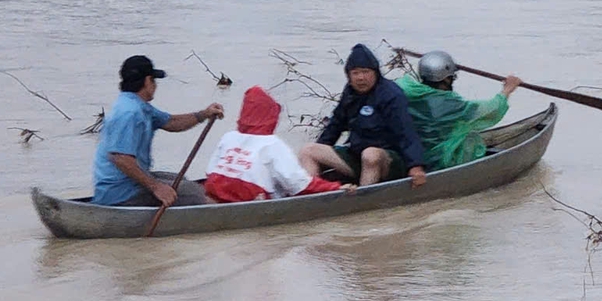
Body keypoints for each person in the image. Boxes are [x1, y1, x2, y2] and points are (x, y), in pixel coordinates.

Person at [91, 55, 225, 208]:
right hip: (121, 193)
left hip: (127, 183)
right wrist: (156, 187)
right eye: (154, 81)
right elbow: (120, 158)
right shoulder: (129, 113)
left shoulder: (137, 105)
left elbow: (171, 122)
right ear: (148, 81)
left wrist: (204, 114)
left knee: (181, 181)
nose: (155, 86)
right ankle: (219, 210)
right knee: (193, 191)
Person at [297, 42, 428, 188]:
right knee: (308, 150)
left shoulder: (391, 95)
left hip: (388, 161)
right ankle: (312, 193)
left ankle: (363, 198)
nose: (360, 78)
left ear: (375, 73)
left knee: (370, 154)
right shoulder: (350, 93)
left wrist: (416, 166)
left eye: (365, 72)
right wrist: (322, 157)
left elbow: (407, 133)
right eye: (355, 73)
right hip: (357, 156)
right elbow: (334, 127)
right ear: (349, 76)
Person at [202, 87, 346, 203]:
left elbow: (209, 172)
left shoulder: (229, 137)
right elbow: (298, 184)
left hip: (215, 188)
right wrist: (335, 188)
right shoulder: (273, 144)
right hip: (250, 196)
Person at [400, 50, 521, 170]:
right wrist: (507, 90)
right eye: (452, 77)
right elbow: (490, 110)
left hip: (413, 156)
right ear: (446, 79)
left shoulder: (410, 92)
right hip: (440, 160)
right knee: (470, 138)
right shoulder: (450, 103)